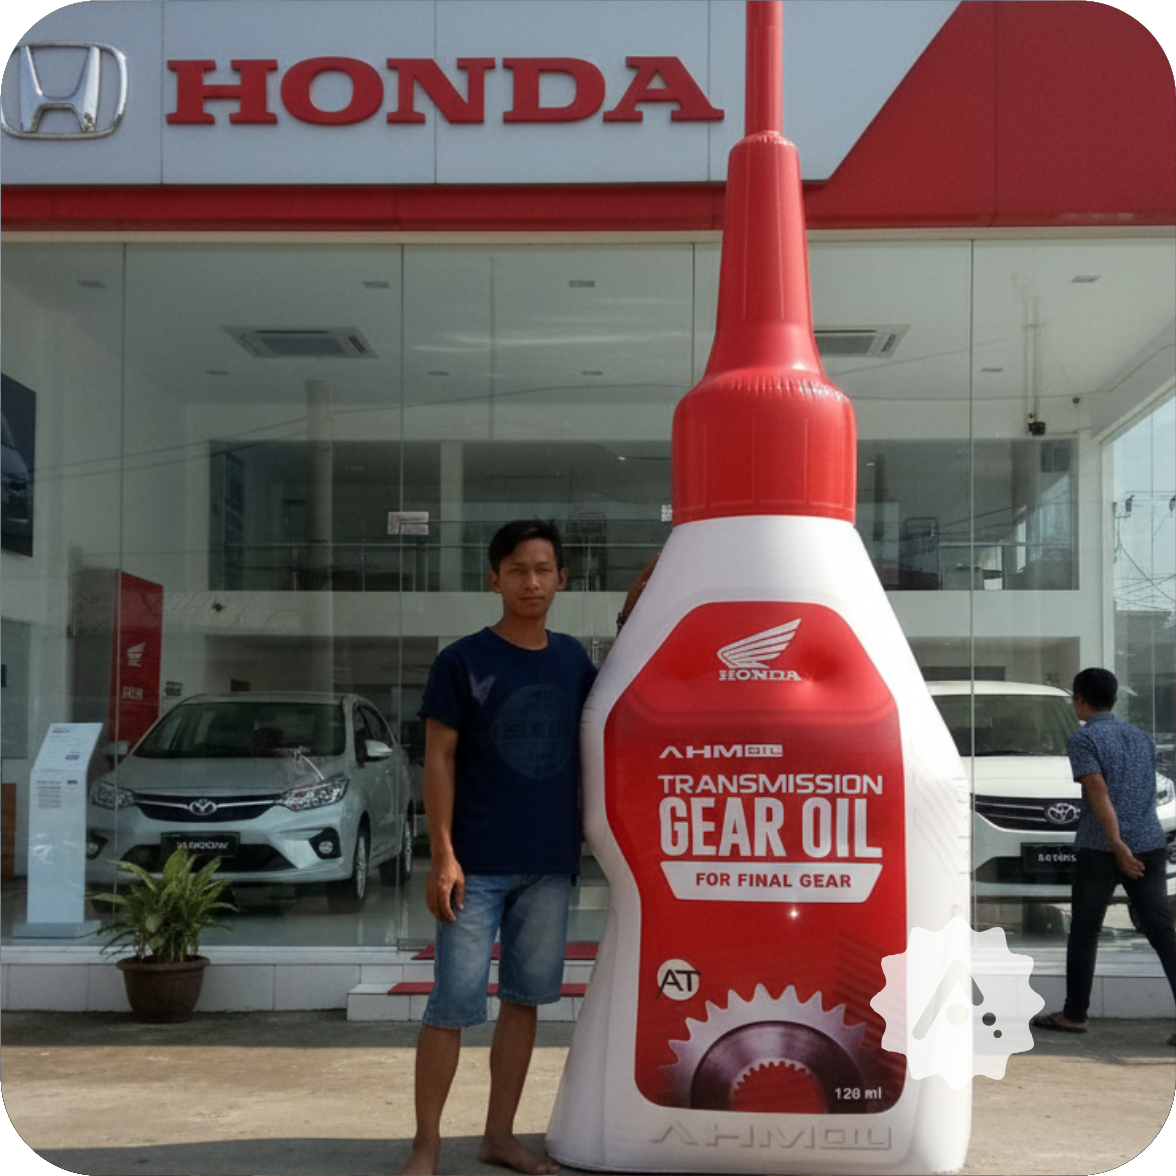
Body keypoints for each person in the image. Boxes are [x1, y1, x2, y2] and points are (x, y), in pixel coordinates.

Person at [398, 519, 597, 1176]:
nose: (530, 582)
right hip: (474, 866)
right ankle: (427, 1146)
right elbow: (438, 759)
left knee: (523, 1001)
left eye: (542, 570)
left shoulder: (574, 662)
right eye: (517, 570)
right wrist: (443, 855)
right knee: (451, 1006)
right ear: (494, 579)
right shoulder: (462, 661)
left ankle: (499, 1137)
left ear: (561, 579)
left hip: (548, 865)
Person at [1032, 668, 1176, 1046]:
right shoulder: (1142, 738)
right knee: (1162, 932)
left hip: (1101, 849)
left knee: (1085, 931)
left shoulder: (1084, 739)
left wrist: (1116, 843)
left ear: (1079, 699)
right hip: (1149, 843)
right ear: (1113, 699)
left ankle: (1074, 1015)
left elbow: (1097, 790)